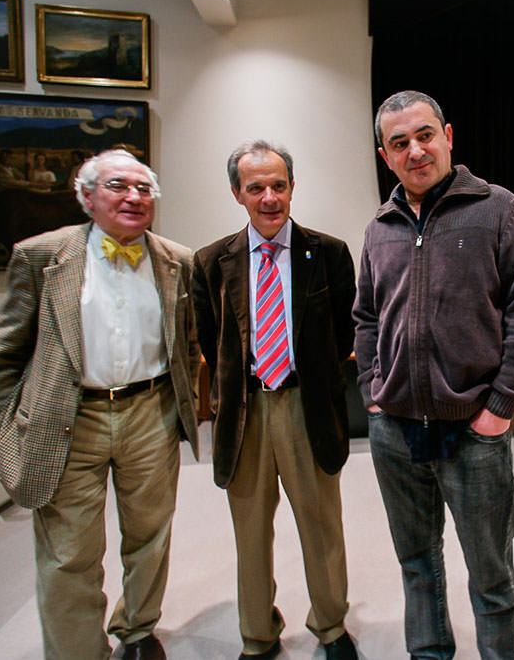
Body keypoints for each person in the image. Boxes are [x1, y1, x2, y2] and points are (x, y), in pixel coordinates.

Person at [353, 90, 514, 659]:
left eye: (424, 135)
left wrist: (500, 410)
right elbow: (366, 316)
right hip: (395, 432)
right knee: (417, 565)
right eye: (399, 143)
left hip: (473, 432)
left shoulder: (498, 208)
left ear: (447, 135)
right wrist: (372, 392)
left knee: (491, 578)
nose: (415, 151)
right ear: (385, 155)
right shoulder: (379, 228)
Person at [0, 148, 200, 660]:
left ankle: (140, 630)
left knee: (150, 534)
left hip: (152, 411)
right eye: (118, 186)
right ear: (86, 197)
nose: (133, 198)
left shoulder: (179, 261)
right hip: (67, 417)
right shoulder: (40, 256)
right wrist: (16, 421)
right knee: (69, 550)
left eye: (144, 189)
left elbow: (187, 345)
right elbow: (4, 352)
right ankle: (77, 650)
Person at [192, 141, 358, 660]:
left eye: (278, 185)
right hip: (246, 415)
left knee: (322, 526)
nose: (269, 197)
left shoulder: (328, 254)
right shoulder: (209, 263)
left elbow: (345, 331)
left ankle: (331, 627)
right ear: (237, 193)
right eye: (256, 187)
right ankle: (257, 636)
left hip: (307, 408)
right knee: (250, 534)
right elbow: (208, 337)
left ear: (292, 186)